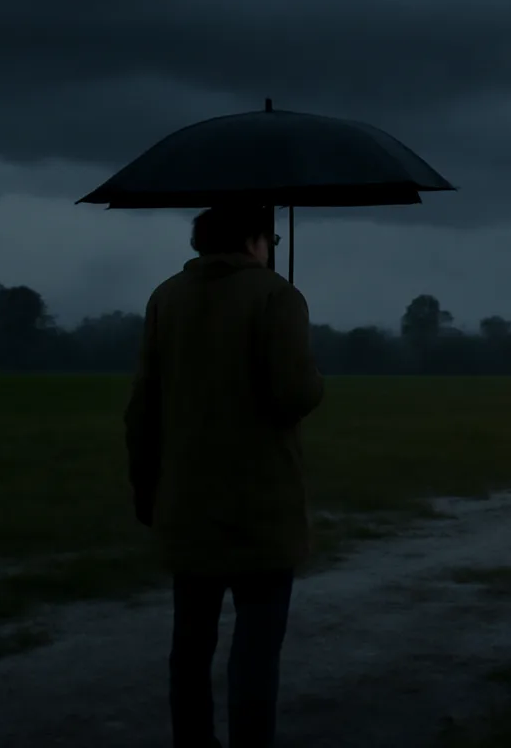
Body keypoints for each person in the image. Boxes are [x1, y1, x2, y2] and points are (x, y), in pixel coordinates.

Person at [125, 204, 325, 748]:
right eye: (271, 238)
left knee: (189, 645)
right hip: (260, 509)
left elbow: (142, 406)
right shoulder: (276, 297)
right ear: (256, 239)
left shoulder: (166, 297)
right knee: (256, 649)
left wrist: (147, 490)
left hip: (185, 503)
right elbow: (295, 396)